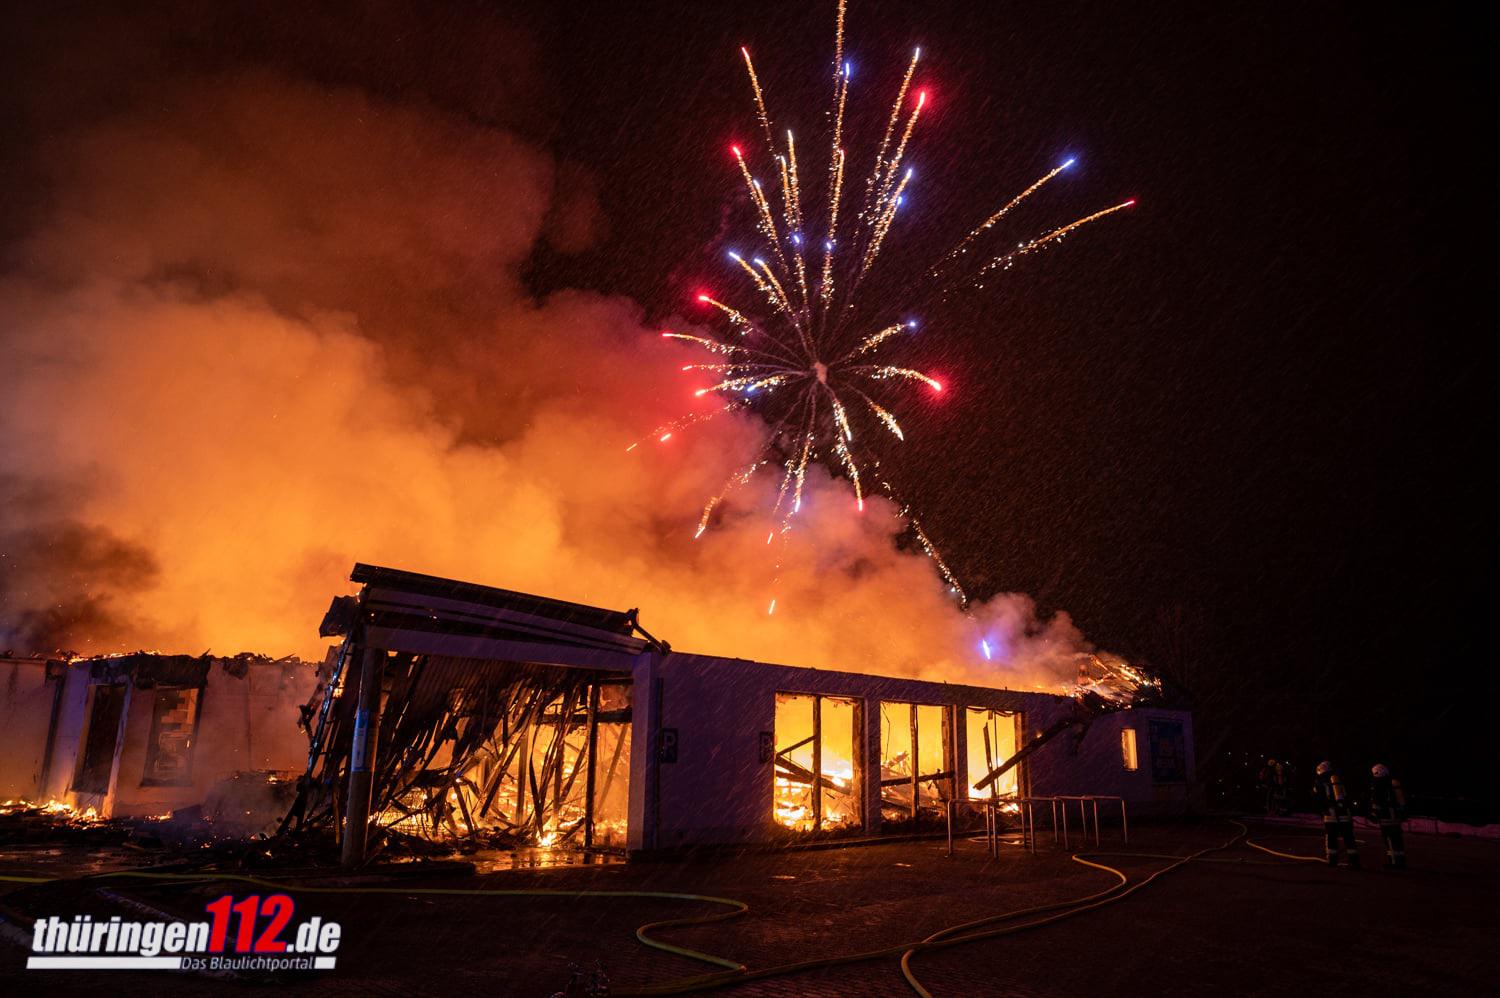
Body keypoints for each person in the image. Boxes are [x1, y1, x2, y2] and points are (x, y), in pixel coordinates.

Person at [1313, 760, 1359, 867]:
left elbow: (1318, 798)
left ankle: (1332, 860)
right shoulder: (1339, 779)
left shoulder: (1320, 781)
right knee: (1349, 838)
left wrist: (1321, 810)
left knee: (1331, 838)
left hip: (1331, 814)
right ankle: (1354, 861)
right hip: (1345, 813)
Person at [1369, 763, 1407, 868]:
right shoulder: (1393, 782)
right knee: (1397, 839)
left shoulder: (1378, 785)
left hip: (1385, 816)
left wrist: (1374, 814)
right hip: (1396, 815)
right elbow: (1401, 800)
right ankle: (1401, 861)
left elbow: (1377, 802)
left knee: (1389, 839)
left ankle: (1393, 861)